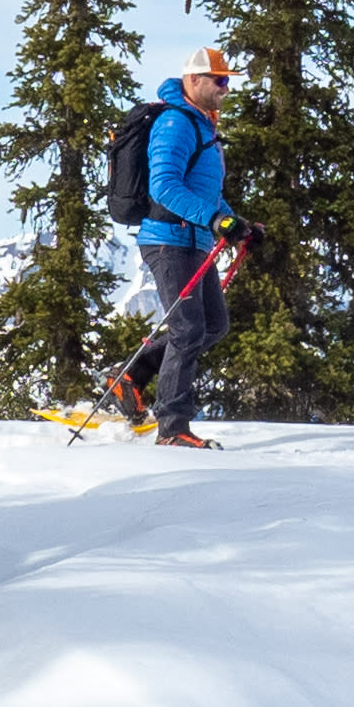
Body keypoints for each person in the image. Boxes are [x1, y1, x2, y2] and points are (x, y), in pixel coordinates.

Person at [103, 47, 237, 447]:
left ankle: (130, 377)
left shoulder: (203, 126)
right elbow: (164, 186)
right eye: (219, 80)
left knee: (214, 325)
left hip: (193, 239)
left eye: (227, 81)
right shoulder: (177, 123)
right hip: (168, 240)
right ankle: (173, 427)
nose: (225, 89)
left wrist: (235, 223)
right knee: (187, 328)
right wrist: (216, 220)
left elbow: (207, 192)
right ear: (193, 80)